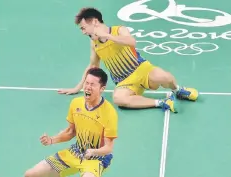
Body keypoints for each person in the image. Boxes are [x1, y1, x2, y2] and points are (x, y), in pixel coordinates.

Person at [57, 8, 199, 113]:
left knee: (165, 77)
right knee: (119, 99)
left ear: (94, 22)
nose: (83, 32)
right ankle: (162, 102)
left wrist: (108, 36)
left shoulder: (119, 30)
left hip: (142, 69)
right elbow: (93, 65)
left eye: (83, 28)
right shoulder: (94, 44)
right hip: (124, 82)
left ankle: (178, 90)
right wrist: (78, 88)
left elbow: (131, 42)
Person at [25, 68, 118, 177]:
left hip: (97, 158)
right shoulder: (76, 103)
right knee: (30, 174)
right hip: (76, 152)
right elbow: (70, 132)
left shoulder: (109, 113)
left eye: (92, 84)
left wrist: (93, 152)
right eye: (86, 83)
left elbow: (108, 148)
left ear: (102, 88)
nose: (88, 87)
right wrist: (51, 140)